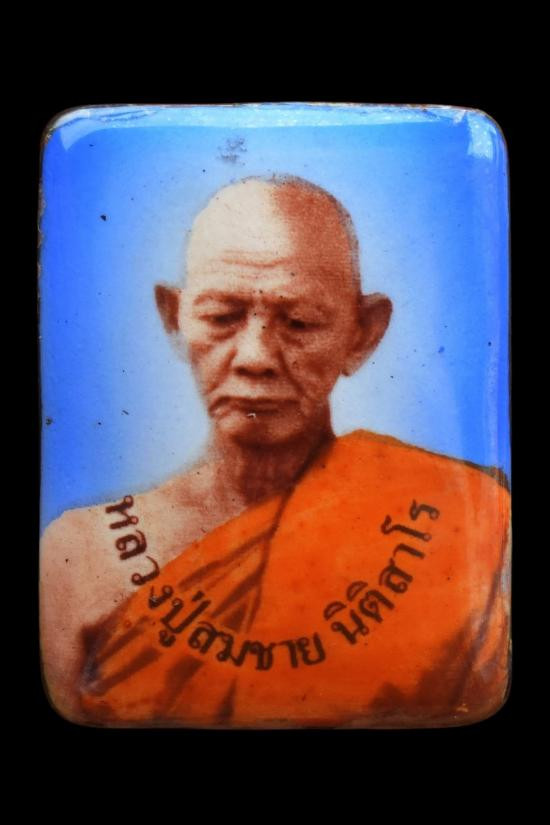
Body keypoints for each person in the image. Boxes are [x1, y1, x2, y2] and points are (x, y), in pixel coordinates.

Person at [40, 175, 511, 728]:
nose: (256, 357)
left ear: (363, 334)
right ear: (174, 318)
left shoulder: (463, 523)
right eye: (221, 317)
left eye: (300, 322)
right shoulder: (82, 557)